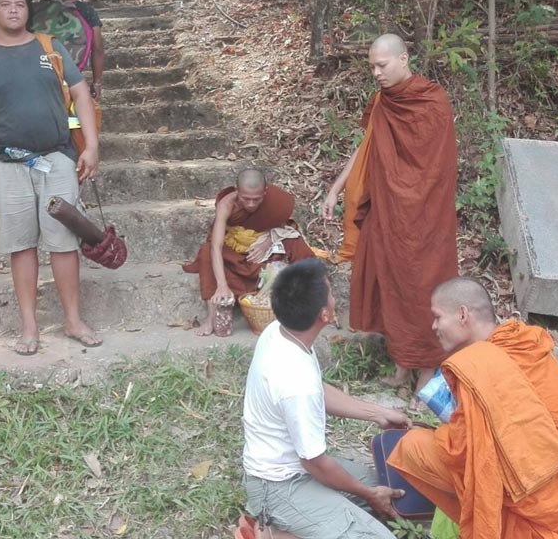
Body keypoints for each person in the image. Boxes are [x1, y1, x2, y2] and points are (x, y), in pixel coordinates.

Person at [0, 0, 102, 354]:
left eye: (20, 4)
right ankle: (29, 327)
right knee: (21, 246)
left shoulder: (50, 48)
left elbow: (81, 94)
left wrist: (91, 145)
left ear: (28, 10)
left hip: (57, 159)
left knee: (64, 243)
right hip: (8, 165)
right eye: (6, 4)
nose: (14, 10)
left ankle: (73, 320)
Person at [389, 277, 558, 538]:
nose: (433, 326)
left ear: (462, 314)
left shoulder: (475, 364)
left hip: (537, 493)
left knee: (412, 446)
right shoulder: (523, 341)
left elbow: (465, 454)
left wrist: (446, 430)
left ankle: (499, 521)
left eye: (437, 317)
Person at [322, 33, 458, 398]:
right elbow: (367, 147)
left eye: (382, 65)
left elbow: (437, 166)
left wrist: (412, 196)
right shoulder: (382, 102)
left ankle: (426, 371)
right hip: (388, 211)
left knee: (424, 284)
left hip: (427, 216)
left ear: (404, 59)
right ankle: (401, 367)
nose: (376, 73)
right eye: (372, 67)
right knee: (391, 283)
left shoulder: (432, 101)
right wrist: (337, 188)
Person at [243, 258, 410, 539]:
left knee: (388, 488)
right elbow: (315, 462)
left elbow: (317, 390)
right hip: (279, 486)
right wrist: (369, 495)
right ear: (324, 314)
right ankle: (274, 530)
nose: (334, 297)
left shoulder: (279, 332)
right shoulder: (297, 383)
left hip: (302, 470)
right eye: (331, 292)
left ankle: (297, 525)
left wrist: (377, 413)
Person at [183, 169, 315, 337]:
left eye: (256, 199)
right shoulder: (226, 205)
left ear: (265, 192)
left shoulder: (274, 200)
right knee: (206, 252)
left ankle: (315, 300)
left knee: (296, 244)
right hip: (234, 248)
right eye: (246, 199)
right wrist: (222, 285)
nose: (251, 204)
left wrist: (267, 241)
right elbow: (216, 246)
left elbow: (284, 226)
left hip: (260, 248)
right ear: (237, 191)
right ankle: (211, 316)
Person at [32, 0, 105, 101]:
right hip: (71, 73)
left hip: (38, 71)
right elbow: (98, 48)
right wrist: (97, 82)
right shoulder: (86, 11)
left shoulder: (38, 9)